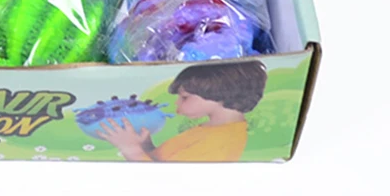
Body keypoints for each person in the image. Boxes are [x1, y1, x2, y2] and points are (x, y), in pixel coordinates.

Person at [98, 59, 267, 161]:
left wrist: (130, 149)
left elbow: (166, 180)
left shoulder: (220, 141)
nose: (177, 104)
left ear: (219, 91)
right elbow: (169, 160)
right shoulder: (216, 129)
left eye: (185, 97)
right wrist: (146, 146)